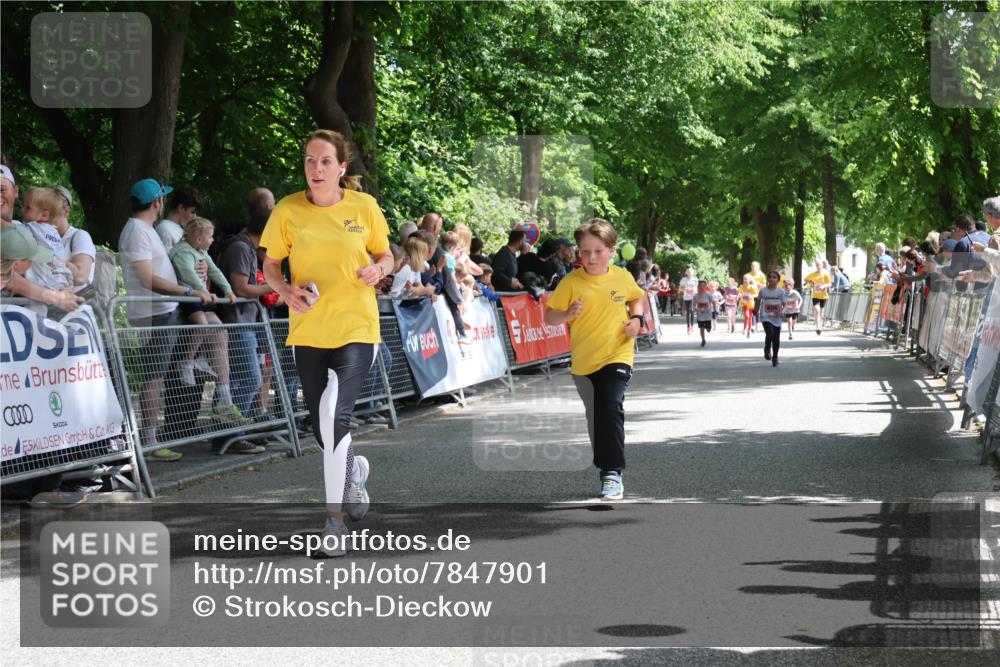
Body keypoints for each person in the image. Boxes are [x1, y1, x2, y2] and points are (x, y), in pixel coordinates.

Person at [260, 129, 392, 557]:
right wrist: (283, 290)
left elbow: (386, 254)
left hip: (356, 328)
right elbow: (270, 264)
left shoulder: (364, 207)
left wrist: (379, 270)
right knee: (322, 426)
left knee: (335, 414)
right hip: (308, 331)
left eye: (323, 161)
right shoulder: (287, 210)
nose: (315, 169)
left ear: (341, 168)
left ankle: (334, 523)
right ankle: (352, 473)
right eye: (309, 160)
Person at [544, 218, 644, 501]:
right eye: (585, 251)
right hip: (585, 362)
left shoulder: (622, 277)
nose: (591, 257)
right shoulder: (571, 282)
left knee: (610, 406)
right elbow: (549, 316)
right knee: (596, 417)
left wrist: (636, 320)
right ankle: (607, 467)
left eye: (598, 251)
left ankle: (612, 473)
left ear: (611, 250)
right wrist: (566, 315)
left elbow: (638, 298)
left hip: (618, 354)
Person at [119, 178, 214, 462]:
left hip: (162, 312)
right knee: (154, 378)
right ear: (157, 203)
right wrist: (189, 290)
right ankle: (149, 441)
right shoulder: (137, 231)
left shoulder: (143, 230)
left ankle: (150, 438)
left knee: (157, 377)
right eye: (163, 199)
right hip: (155, 314)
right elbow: (147, 279)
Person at [168, 217, 251, 427]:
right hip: (188, 297)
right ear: (198, 238)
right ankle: (187, 360)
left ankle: (223, 396)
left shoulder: (201, 253)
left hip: (200, 297)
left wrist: (228, 290)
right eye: (210, 236)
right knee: (202, 323)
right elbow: (188, 274)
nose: (213, 240)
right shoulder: (182, 252)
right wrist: (204, 291)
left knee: (218, 328)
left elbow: (214, 271)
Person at [156, 186, 204, 252]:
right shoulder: (165, 229)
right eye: (192, 212)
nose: (195, 216)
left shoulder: (182, 228)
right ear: (181, 208)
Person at [756, 270, 787, 367]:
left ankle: (775, 358)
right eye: (770, 277)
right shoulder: (763, 291)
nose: (772, 279)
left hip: (777, 317)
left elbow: (785, 304)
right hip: (765, 316)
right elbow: (758, 301)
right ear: (767, 279)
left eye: (774, 277)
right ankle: (767, 349)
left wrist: (782, 311)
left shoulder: (780, 291)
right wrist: (755, 311)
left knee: (776, 338)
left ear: (778, 280)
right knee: (770, 333)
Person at [804, 259, 832, 335]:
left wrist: (824, 285)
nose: (818, 266)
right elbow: (805, 279)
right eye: (816, 265)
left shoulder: (825, 274)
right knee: (817, 310)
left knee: (821, 312)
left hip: (823, 296)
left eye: (819, 265)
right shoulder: (813, 274)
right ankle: (818, 326)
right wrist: (811, 283)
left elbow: (830, 284)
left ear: (822, 265)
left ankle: (820, 325)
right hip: (815, 295)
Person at [692, 280, 713, 347]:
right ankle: (703, 340)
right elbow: (694, 305)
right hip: (700, 314)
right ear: (698, 286)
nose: (702, 287)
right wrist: (696, 309)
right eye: (700, 285)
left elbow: (711, 303)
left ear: (705, 286)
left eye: (703, 285)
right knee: (701, 328)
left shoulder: (708, 295)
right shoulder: (696, 296)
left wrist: (712, 308)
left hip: (707, 314)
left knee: (708, 329)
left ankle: (708, 327)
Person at [678, 266, 698, 334]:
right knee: (688, 312)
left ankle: (692, 326)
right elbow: (680, 289)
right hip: (686, 297)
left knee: (692, 311)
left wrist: (693, 290)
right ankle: (688, 327)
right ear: (686, 273)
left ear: (693, 273)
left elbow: (696, 289)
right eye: (688, 271)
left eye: (691, 272)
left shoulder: (695, 279)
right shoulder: (683, 279)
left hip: (693, 297)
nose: (689, 273)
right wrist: (686, 289)